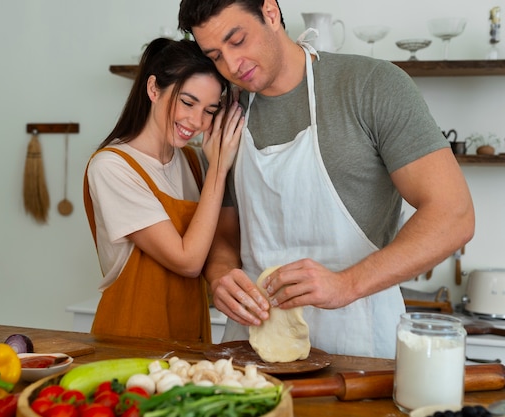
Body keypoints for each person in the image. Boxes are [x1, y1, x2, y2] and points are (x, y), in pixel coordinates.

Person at [178, 0, 475, 358]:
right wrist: (221, 275)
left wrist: (345, 285)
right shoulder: (227, 116)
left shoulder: (371, 86)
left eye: (238, 40)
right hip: (252, 347)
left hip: (359, 348)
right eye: (215, 56)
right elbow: (225, 234)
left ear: (270, 12)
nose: (231, 66)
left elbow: (453, 214)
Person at [83, 37, 244, 343]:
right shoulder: (112, 167)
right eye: (187, 102)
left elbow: (220, 244)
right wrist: (219, 169)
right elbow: (188, 261)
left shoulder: (195, 162)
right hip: (130, 341)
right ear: (154, 88)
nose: (196, 121)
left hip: (190, 340)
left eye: (210, 110)